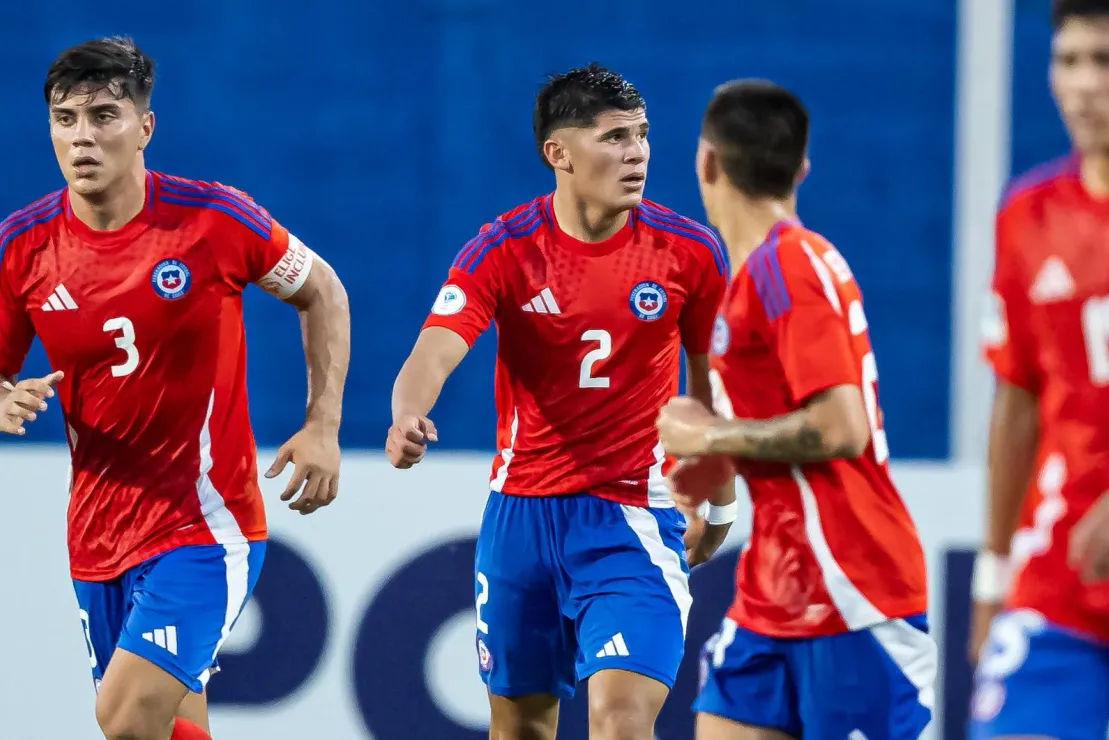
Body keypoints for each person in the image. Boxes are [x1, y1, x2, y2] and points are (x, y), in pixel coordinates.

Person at [0, 37, 351, 740]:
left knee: (125, 718)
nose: (83, 137)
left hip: (205, 524)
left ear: (145, 128)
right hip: (96, 533)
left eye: (104, 115)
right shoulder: (23, 246)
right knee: (162, 729)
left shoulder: (214, 219)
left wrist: (322, 425)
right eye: (65, 119)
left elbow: (324, 292)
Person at [386, 62, 735, 739]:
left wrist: (718, 496)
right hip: (521, 518)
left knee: (621, 721)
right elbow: (434, 349)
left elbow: (712, 388)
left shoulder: (690, 253)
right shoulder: (505, 249)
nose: (636, 153)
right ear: (559, 153)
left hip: (634, 516)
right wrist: (407, 413)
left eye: (642, 135)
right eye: (613, 138)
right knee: (520, 729)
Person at [656, 79, 936, 740]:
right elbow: (753, 431)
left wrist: (705, 433)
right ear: (802, 167)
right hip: (773, 592)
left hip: (853, 588)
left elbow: (840, 427)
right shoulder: (756, 276)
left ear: (707, 161)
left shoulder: (790, 267)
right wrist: (703, 499)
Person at [970, 1, 1109, 737]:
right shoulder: (1028, 211)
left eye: (1107, 61)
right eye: (1067, 61)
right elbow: (1018, 399)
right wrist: (993, 574)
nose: (1082, 85)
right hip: (1063, 581)